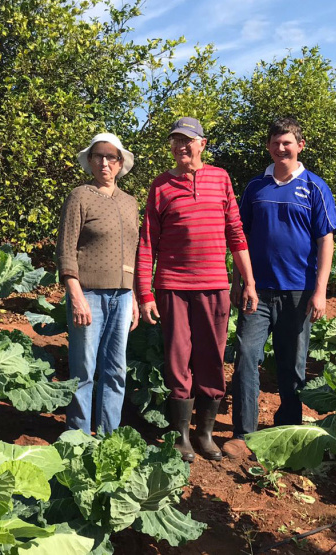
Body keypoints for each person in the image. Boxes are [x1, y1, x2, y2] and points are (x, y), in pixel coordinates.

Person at [136, 117, 259, 462]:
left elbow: (236, 233)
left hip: (214, 286)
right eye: (175, 141)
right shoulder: (160, 186)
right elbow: (148, 243)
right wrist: (145, 293)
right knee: (177, 360)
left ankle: (204, 434)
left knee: (211, 358)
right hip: (172, 286)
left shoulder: (220, 179)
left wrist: (247, 281)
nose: (180, 147)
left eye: (187, 140)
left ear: (202, 144)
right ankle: (180, 437)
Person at [223, 117, 336, 460]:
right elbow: (238, 237)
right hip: (256, 292)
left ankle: (287, 430)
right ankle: (244, 433)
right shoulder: (255, 188)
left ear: (300, 146)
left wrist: (320, 292)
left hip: (298, 294)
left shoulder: (315, 187)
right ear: (269, 147)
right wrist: (238, 281)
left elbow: (325, 241)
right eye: (275, 142)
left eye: (287, 142)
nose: (281, 148)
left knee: (292, 364)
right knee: (246, 358)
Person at [57, 132, 140, 435]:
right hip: (88, 294)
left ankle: (109, 436)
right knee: (84, 371)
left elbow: (133, 250)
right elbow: (66, 249)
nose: (104, 163)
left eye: (111, 157)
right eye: (98, 156)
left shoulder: (130, 203)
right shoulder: (80, 196)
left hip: (122, 296)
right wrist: (76, 294)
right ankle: (77, 437)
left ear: (120, 164)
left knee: (115, 371)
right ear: (90, 161)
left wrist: (133, 296)